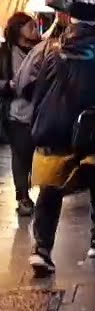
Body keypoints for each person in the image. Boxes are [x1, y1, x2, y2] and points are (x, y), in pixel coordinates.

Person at [25, 2, 95, 276]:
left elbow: (36, 88)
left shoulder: (51, 49)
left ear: (70, 20)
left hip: (54, 126)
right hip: (90, 128)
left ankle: (42, 250)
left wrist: (38, 121)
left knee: (50, 188)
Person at [1, 12, 41, 216]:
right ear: (18, 29)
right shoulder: (5, 53)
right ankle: (23, 197)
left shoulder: (40, 49)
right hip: (16, 113)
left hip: (40, 112)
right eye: (30, 27)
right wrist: (7, 85)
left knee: (39, 156)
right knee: (20, 155)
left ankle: (40, 192)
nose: (35, 30)